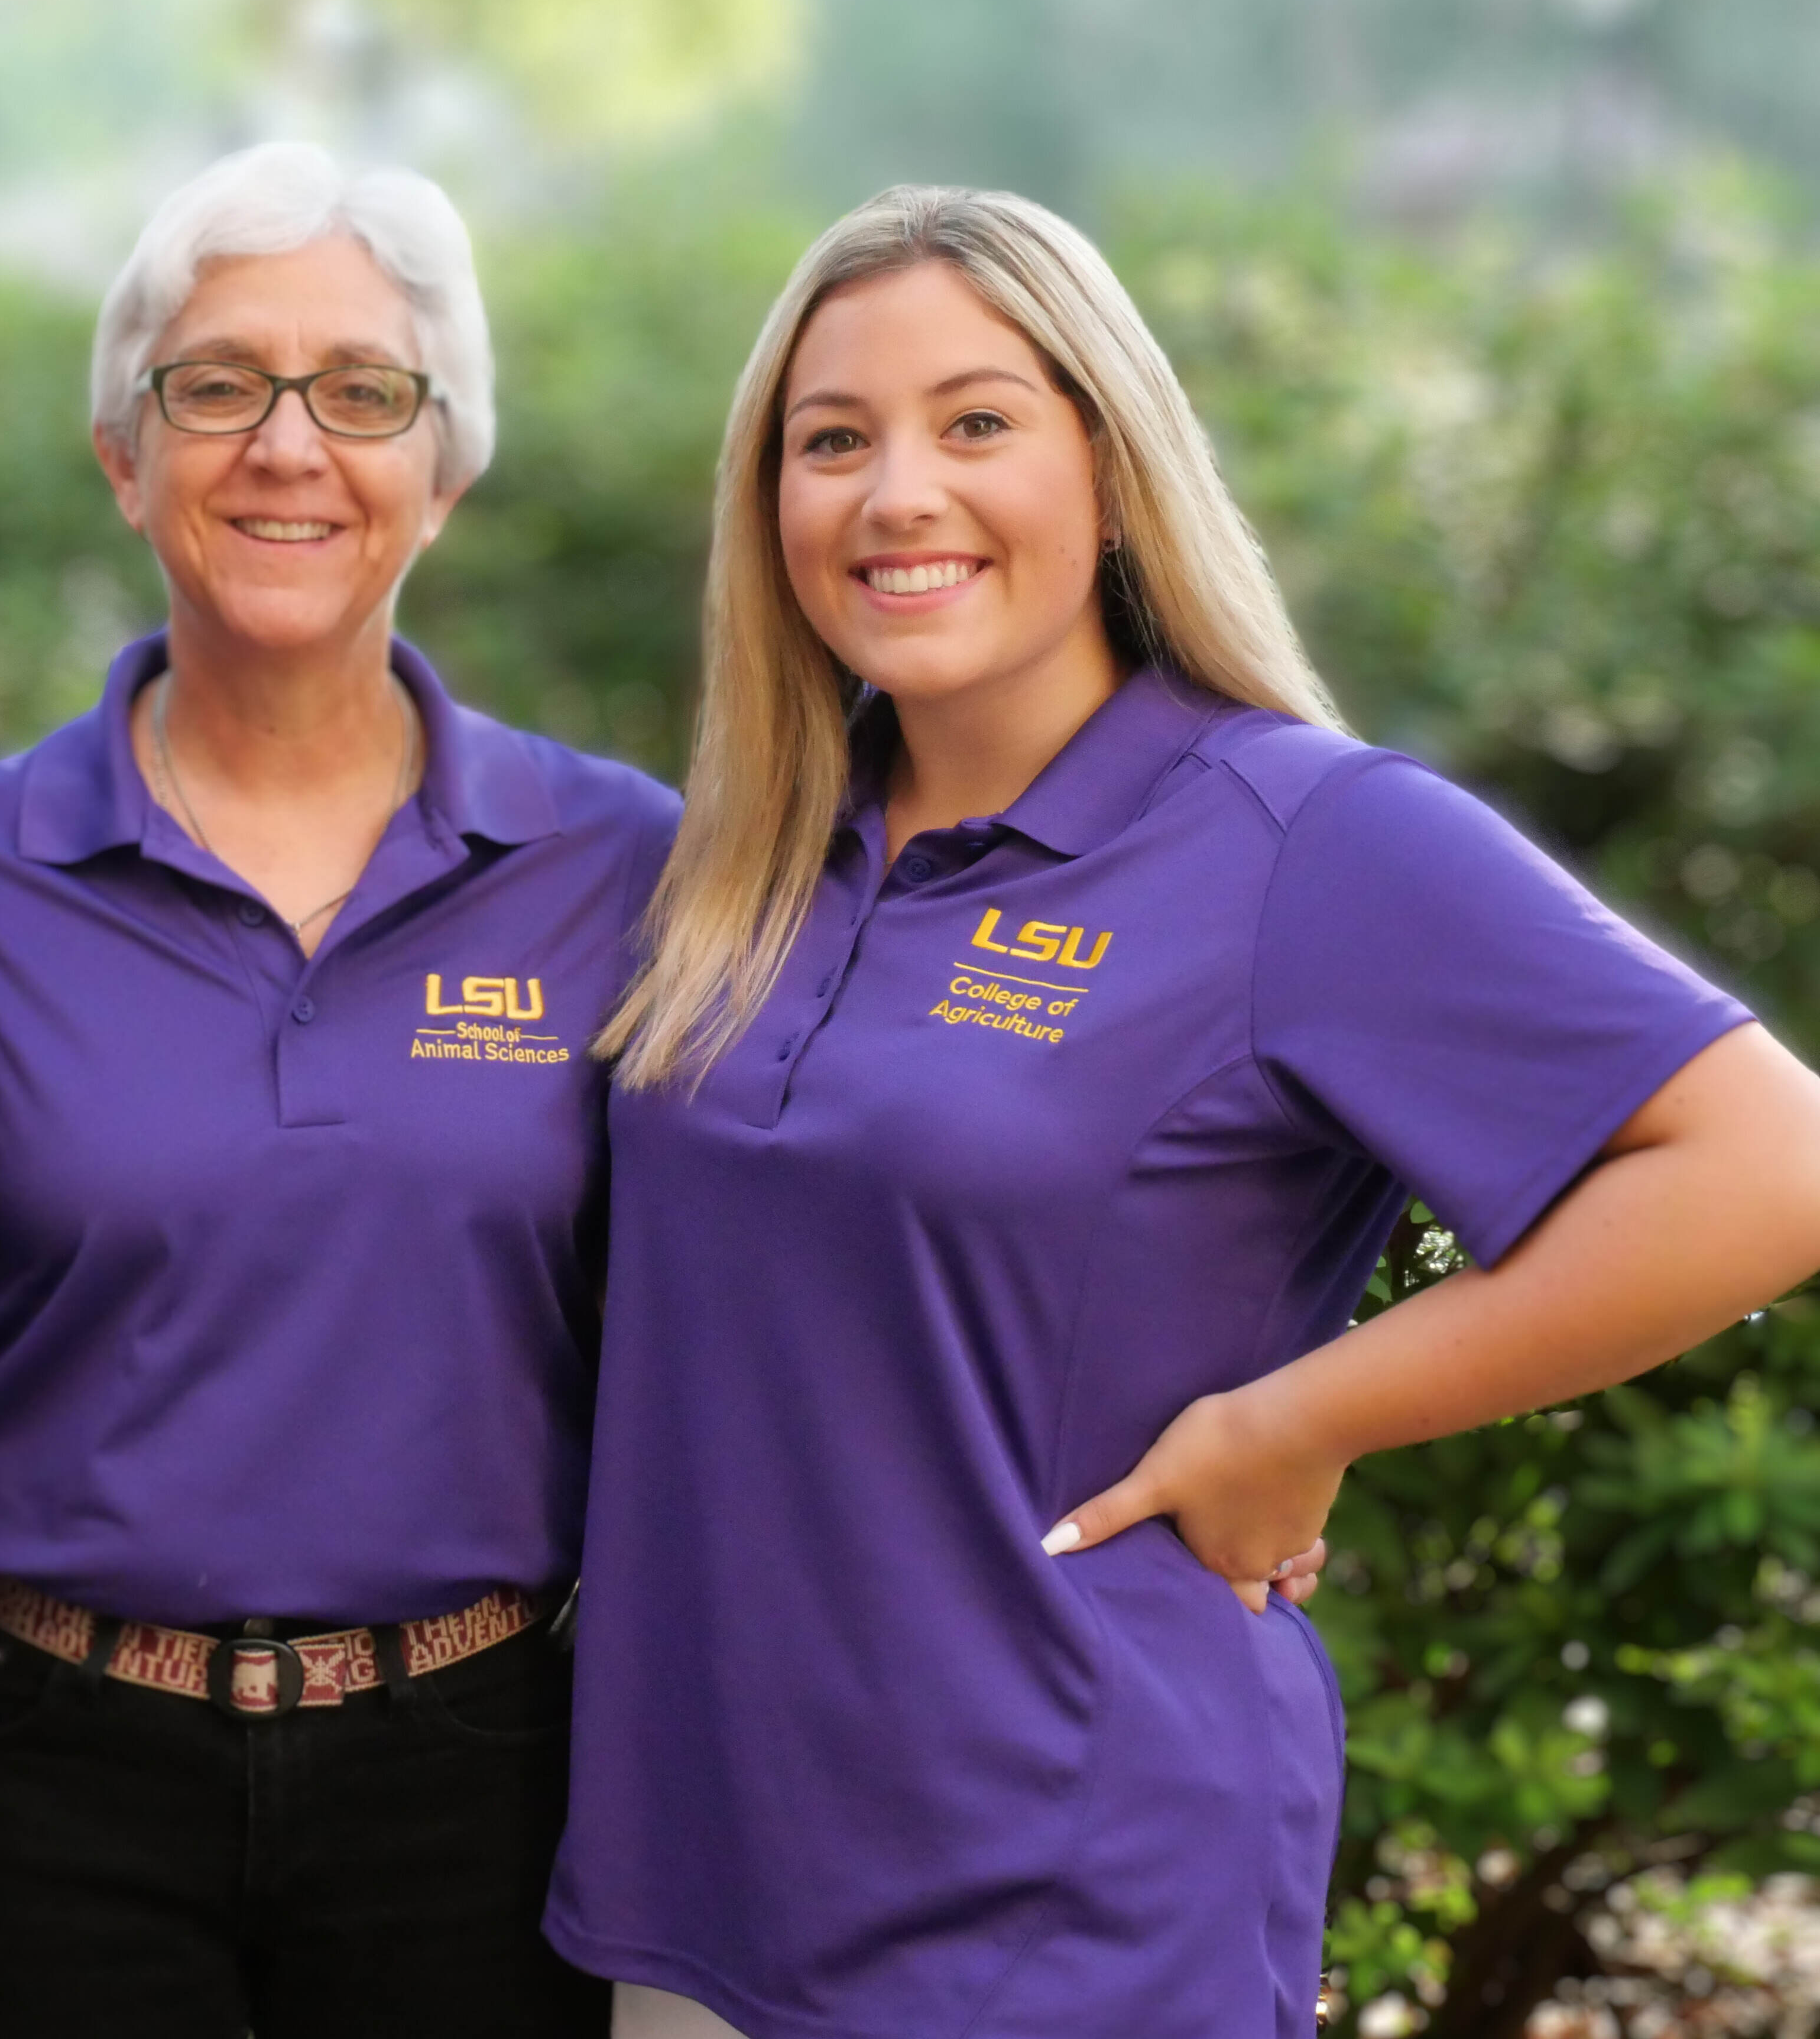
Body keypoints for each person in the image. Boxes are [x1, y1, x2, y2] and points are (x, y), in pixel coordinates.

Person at [550, 184, 1820, 2039]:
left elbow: (1769, 1164)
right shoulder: (750, 863)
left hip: (1067, 1906)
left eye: (977, 421)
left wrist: (1305, 1419)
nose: (897, 492)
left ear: (1112, 463)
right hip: (694, 1898)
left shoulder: (1301, 837)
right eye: (833, 441)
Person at [0, 141, 673, 2038]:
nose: (289, 445)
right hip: (46, 1774)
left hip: (479, 1777)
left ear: (445, 467)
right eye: (216, 384)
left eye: (365, 391)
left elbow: (794, 1278)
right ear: (122, 457)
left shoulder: (627, 872)